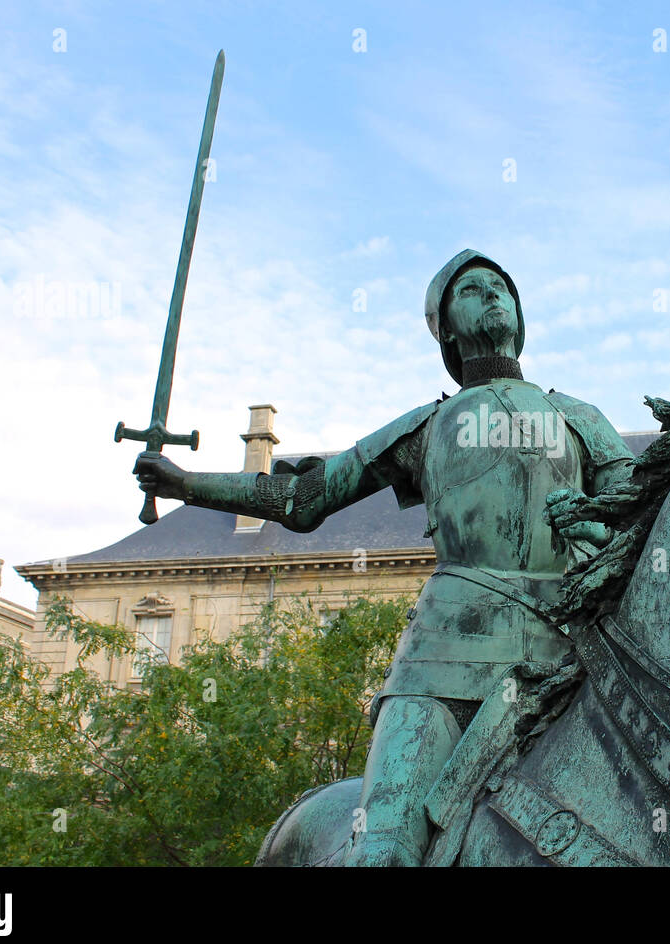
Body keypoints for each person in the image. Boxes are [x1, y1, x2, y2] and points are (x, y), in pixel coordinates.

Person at [134, 249, 633, 864]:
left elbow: (646, 519)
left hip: (569, 669)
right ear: (447, 328)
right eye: (471, 289)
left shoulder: (582, 419)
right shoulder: (426, 427)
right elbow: (305, 497)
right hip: (442, 669)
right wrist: (188, 486)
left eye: (501, 287)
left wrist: (600, 526)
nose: (492, 294)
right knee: (384, 851)